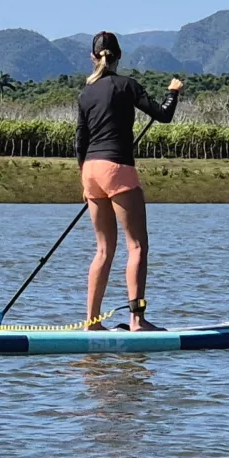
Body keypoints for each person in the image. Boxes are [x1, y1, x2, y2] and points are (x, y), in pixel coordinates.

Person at [74, 31, 182, 331]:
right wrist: (173, 91)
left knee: (103, 250)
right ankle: (137, 320)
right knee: (136, 248)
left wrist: (85, 182)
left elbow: (79, 143)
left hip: (91, 172)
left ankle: (92, 323)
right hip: (117, 168)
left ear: (93, 57)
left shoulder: (85, 94)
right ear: (119, 56)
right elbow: (163, 115)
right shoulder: (127, 85)